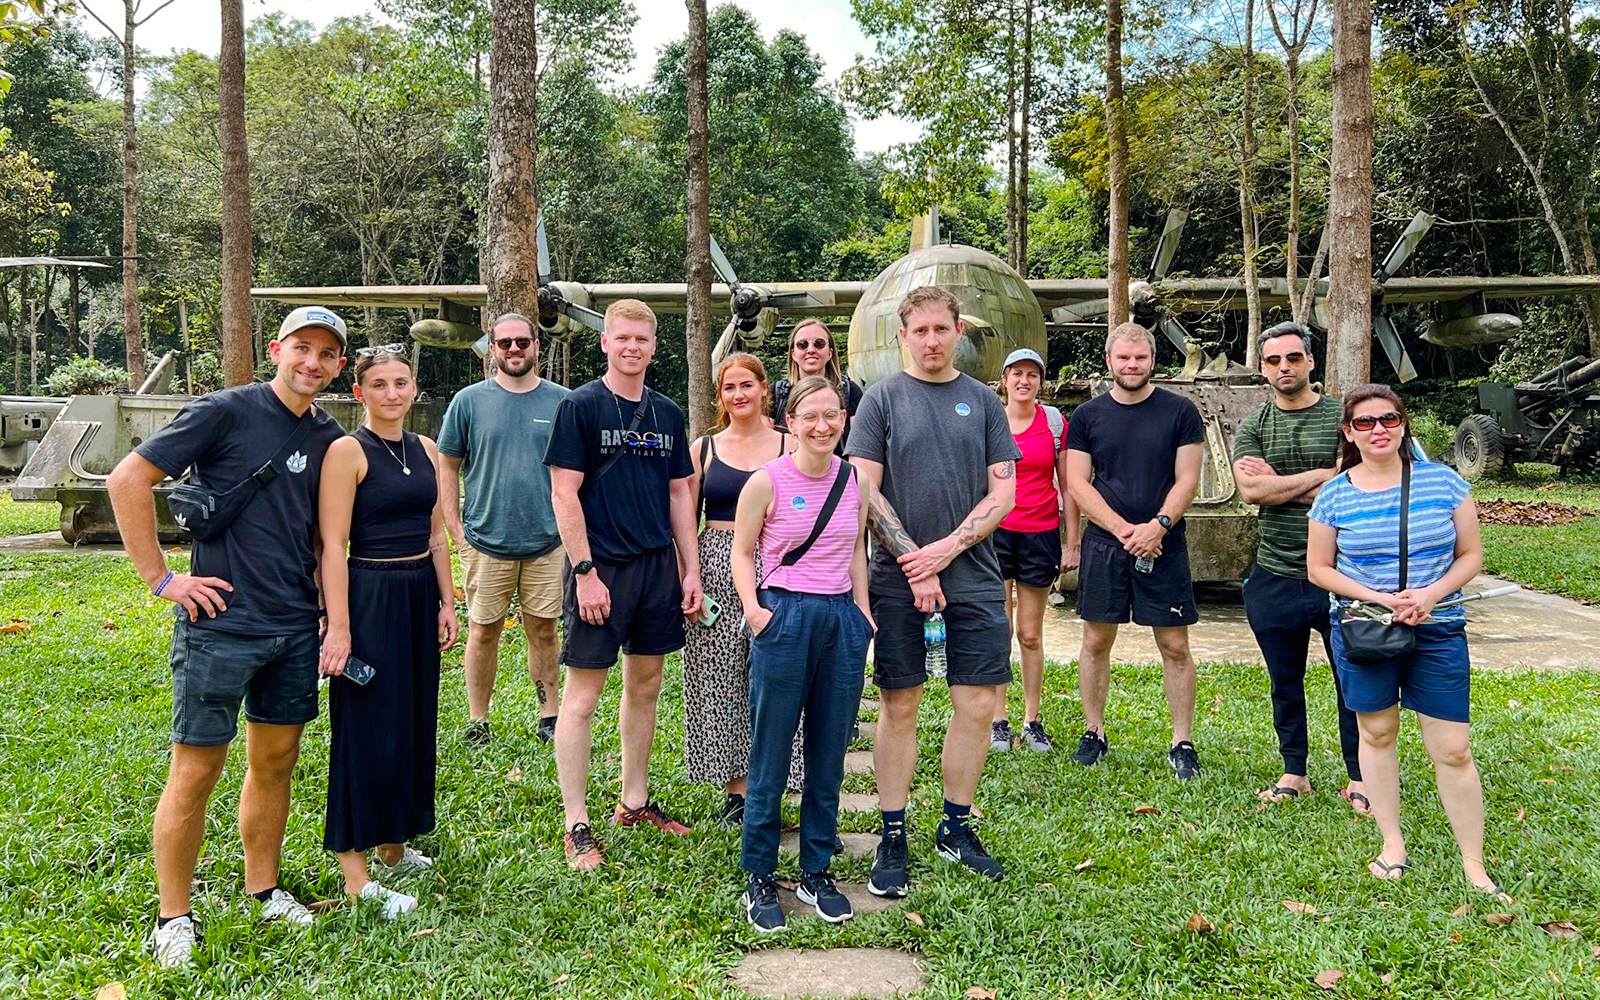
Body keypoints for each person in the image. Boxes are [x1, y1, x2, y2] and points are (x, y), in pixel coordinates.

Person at [107, 306, 350, 966]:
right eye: (302, 347)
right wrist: (162, 580)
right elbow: (128, 478)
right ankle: (173, 917)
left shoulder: (330, 434)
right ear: (277, 349)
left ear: (339, 367)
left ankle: (263, 890)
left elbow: (325, 536)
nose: (312, 363)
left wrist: (330, 610)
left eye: (327, 354)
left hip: (295, 628)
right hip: (220, 627)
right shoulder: (224, 410)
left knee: (275, 764)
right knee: (197, 769)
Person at [846, 285, 1020, 894]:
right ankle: (892, 835)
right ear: (902, 336)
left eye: (940, 329)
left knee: (975, 704)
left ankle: (955, 826)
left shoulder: (986, 402)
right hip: (897, 580)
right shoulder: (880, 401)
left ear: (957, 332)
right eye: (918, 331)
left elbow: (1003, 493)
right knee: (901, 704)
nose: (930, 341)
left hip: (974, 577)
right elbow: (863, 491)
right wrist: (915, 564)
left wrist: (945, 552)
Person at [1307, 385, 1506, 898]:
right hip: (1365, 627)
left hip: (1438, 626)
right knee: (1377, 735)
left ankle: (1474, 864)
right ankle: (1392, 844)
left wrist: (1431, 594)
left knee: (1454, 748)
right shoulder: (1334, 494)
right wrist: (1382, 597)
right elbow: (1319, 569)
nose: (1379, 430)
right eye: (1365, 422)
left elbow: (1470, 556)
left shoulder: (1446, 484)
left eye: (1389, 419)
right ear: (1349, 432)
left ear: (1403, 424)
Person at [544, 298, 705, 869]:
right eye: (623, 338)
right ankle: (577, 822)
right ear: (605, 343)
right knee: (583, 696)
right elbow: (565, 494)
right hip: (601, 567)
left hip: (656, 567)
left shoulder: (666, 413)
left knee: (647, 684)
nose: (632, 347)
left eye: (642, 339)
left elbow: (680, 493)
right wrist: (584, 572)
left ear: (654, 347)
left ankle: (633, 801)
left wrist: (691, 570)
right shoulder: (581, 407)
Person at [317, 345, 459, 920]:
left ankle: (394, 847)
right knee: (365, 727)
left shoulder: (426, 449)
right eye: (379, 384)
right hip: (370, 595)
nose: (392, 393)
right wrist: (340, 627)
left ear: (414, 388)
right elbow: (331, 546)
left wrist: (449, 602)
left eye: (401, 382)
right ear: (360, 392)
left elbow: (436, 534)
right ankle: (356, 875)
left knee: (411, 720)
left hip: (420, 594)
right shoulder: (347, 452)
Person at [733, 375, 876, 932]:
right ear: (789, 422)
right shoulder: (765, 482)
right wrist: (755, 610)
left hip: (840, 619)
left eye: (832, 415)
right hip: (784, 616)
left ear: (844, 419)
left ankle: (817, 870)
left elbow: (857, 552)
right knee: (770, 752)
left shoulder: (854, 479)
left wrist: (863, 615)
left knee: (828, 754)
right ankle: (760, 875)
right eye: (809, 416)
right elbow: (743, 553)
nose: (822, 426)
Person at [1233, 322, 1367, 810]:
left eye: (1293, 358)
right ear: (1263, 368)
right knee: (1284, 682)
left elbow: (1356, 485)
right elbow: (1251, 492)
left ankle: (1360, 778)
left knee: (1353, 681)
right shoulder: (1254, 426)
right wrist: (1323, 478)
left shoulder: (1344, 419)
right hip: (1275, 573)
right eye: (1273, 361)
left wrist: (1283, 482)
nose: (1283, 368)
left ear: (1311, 362)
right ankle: (1295, 771)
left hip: (1343, 574)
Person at [1064, 322, 1205, 779]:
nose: (1131, 365)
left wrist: (1159, 525)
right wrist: (1126, 529)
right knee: (1095, 640)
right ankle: (1094, 732)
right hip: (1107, 544)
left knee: (1174, 644)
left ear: (1152, 361)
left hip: (1164, 543)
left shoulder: (1180, 411)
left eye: (1140, 358)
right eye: (1123, 358)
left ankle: (1182, 741)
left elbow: (1188, 478)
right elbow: (1076, 483)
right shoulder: (1086, 417)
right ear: (1110, 361)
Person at [438, 313, 570, 745]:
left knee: (544, 629)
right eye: (505, 343)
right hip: (484, 540)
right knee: (483, 630)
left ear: (536, 346)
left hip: (548, 542)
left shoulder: (563, 403)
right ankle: (479, 720)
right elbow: (448, 465)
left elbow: (581, 473)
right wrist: (456, 529)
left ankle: (549, 715)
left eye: (522, 342)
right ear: (491, 349)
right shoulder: (469, 401)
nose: (514, 350)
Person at [684, 353, 803, 826]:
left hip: (774, 566)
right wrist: (688, 575)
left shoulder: (789, 444)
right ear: (720, 396)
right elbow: (685, 519)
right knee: (722, 679)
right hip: (715, 563)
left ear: (763, 390)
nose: (739, 395)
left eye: (746, 386)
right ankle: (736, 793)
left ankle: (772, 787)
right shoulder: (704, 449)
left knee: (776, 677)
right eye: (729, 388)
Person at [990, 348, 1079, 753]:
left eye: (1031, 375)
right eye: (1016, 374)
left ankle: (1031, 719)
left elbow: (1069, 485)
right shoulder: (990, 420)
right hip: (997, 532)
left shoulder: (1055, 423)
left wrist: (1071, 540)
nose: (1023, 381)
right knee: (999, 629)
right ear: (1004, 379)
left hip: (1040, 532)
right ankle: (998, 719)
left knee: (1028, 632)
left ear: (1040, 382)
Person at [768, 319, 865, 451]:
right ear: (794, 354)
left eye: (819, 344)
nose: (811, 350)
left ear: (830, 353)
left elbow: (860, 444)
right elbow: (762, 441)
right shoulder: (776, 393)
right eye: (803, 344)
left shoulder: (850, 391)